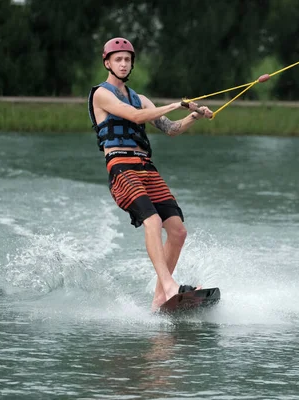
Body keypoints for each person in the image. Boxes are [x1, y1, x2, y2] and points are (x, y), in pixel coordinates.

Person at [88, 37, 213, 311]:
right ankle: (169, 285)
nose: (123, 64)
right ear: (107, 63)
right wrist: (175, 104)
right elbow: (134, 117)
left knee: (178, 231)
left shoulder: (141, 99)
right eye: (117, 59)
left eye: (127, 59)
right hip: (121, 167)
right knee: (153, 221)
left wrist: (194, 116)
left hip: (146, 168)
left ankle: (160, 298)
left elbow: (170, 129)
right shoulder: (101, 94)